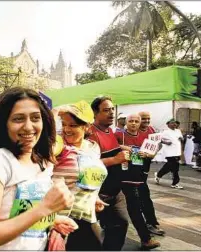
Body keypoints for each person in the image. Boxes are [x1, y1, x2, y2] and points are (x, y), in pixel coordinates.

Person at [0, 87, 75, 251]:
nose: (28, 127)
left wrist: (51, 220)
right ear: (3, 123)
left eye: (35, 118)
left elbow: (17, 213)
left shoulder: (41, 161)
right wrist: (45, 209)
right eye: (18, 119)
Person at [53, 100, 108, 251]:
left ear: (86, 127)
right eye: (64, 124)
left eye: (72, 125)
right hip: (62, 219)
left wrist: (94, 196)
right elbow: (45, 146)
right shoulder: (59, 144)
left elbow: (89, 176)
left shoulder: (92, 147)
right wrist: (54, 112)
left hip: (87, 215)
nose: (66, 129)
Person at [88, 96, 130, 251]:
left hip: (115, 191)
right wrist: (115, 159)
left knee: (120, 225)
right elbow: (88, 163)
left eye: (112, 109)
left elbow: (109, 148)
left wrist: (122, 148)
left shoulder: (109, 130)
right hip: (99, 193)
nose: (111, 113)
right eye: (106, 110)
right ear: (95, 113)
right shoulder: (90, 133)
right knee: (88, 233)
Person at [115, 114, 161, 249]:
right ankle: (145, 238)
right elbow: (110, 146)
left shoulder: (145, 137)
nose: (133, 123)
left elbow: (152, 153)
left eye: (136, 121)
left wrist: (147, 154)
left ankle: (146, 238)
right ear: (126, 123)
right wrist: (126, 148)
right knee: (130, 207)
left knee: (134, 207)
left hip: (137, 176)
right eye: (131, 121)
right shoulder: (119, 135)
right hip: (119, 175)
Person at [138, 111, 165, 236]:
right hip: (127, 170)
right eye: (144, 119)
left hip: (144, 168)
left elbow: (157, 146)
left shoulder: (152, 130)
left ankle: (150, 223)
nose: (146, 121)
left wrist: (151, 154)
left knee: (144, 196)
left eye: (148, 118)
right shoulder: (132, 129)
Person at [155, 119, 184, 189]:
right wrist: (166, 142)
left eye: (175, 123)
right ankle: (175, 183)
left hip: (177, 152)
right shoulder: (165, 132)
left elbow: (182, 138)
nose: (174, 124)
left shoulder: (178, 131)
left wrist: (181, 138)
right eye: (172, 123)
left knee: (170, 167)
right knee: (175, 168)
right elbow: (159, 139)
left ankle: (158, 175)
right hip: (169, 152)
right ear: (168, 124)